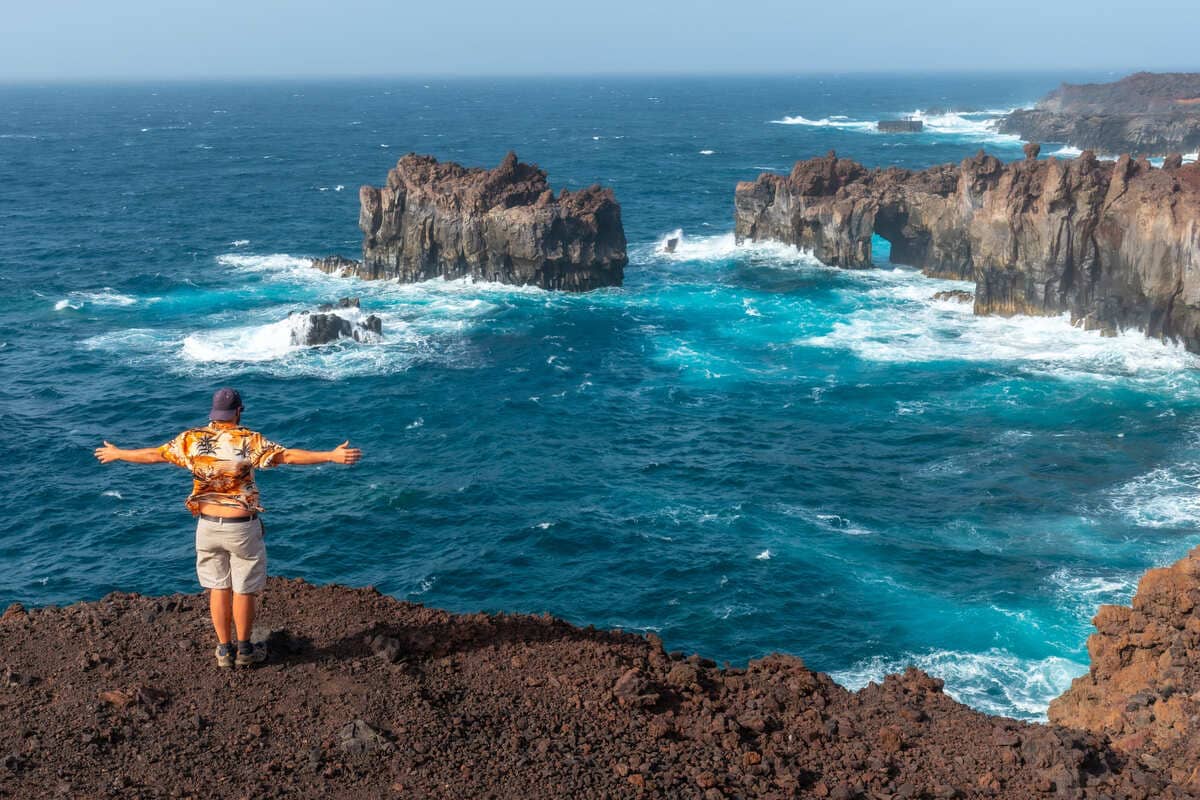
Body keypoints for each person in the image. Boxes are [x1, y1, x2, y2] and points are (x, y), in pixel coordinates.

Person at [94, 387, 362, 668]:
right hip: (241, 527)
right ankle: (245, 650)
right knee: (243, 589)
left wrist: (118, 453)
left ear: (213, 413)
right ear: (238, 411)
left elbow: (154, 455)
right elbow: (288, 457)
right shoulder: (248, 440)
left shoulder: (192, 439)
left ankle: (224, 651)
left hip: (207, 526)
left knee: (218, 588)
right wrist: (330, 456)